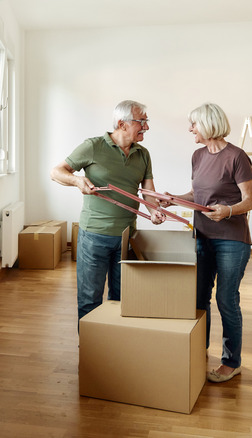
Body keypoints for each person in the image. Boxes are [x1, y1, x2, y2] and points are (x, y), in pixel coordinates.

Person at [163, 103, 252, 383]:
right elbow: (197, 194)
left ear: (207, 125)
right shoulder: (198, 156)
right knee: (198, 298)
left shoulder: (237, 157)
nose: (190, 129)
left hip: (231, 240)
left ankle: (231, 362)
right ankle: (198, 349)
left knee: (226, 299)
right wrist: (173, 199)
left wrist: (228, 211)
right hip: (202, 238)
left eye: (193, 124)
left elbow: (250, 200)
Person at [50, 100, 166, 323]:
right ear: (122, 124)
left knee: (121, 299)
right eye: (142, 121)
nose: (146, 127)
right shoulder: (93, 146)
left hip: (127, 236)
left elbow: (148, 191)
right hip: (94, 236)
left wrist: (153, 210)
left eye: (146, 121)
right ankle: (90, 343)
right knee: (90, 298)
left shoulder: (143, 154)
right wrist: (77, 180)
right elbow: (56, 172)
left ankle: (113, 340)